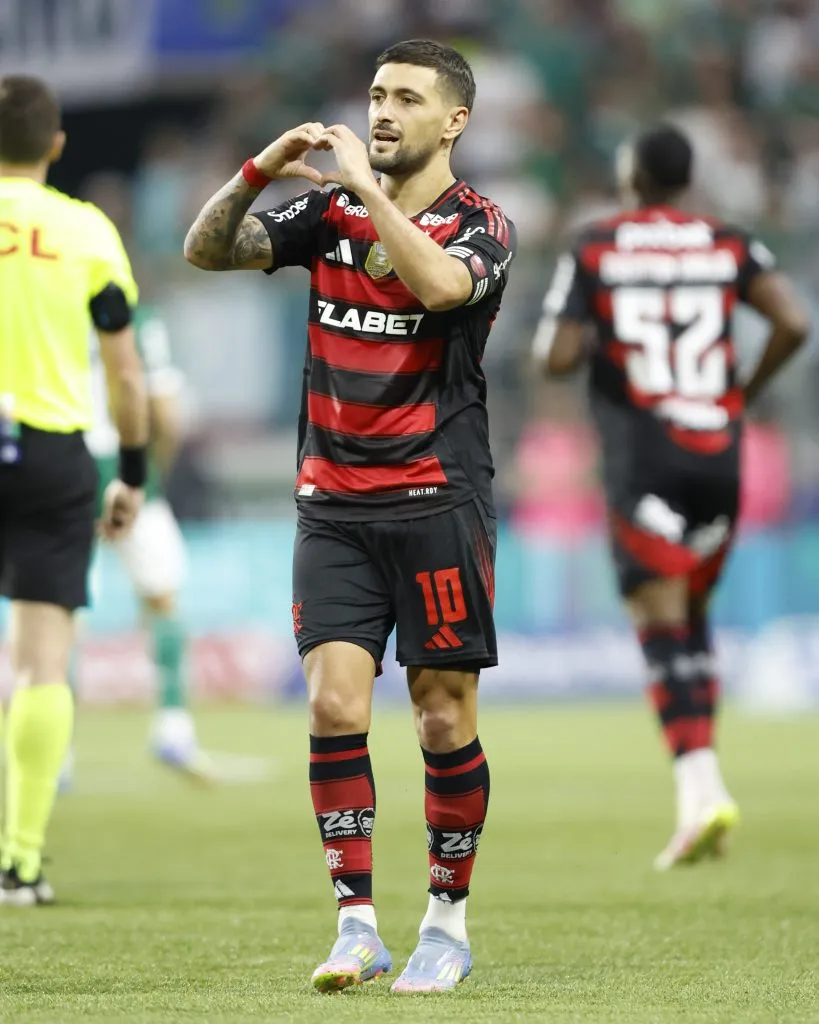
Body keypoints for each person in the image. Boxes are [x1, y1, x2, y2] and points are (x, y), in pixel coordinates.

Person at [185, 39, 515, 993]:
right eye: (374, 94)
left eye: (406, 98)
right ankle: (357, 926)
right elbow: (209, 251)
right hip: (332, 504)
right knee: (334, 704)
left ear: (452, 121)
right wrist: (257, 173)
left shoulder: (480, 223)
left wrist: (369, 191)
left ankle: (445, 926)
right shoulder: (324, 212)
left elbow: (440, 288)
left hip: (437, 501)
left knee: (440, 716)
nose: (380, 111)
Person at [532, 124, 808, 870]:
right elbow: (792, 321)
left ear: (629, 176)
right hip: (717, 456)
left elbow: (553, 358)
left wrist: (600, 335)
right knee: (691, 617)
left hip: (642, 455)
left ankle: (700, 790)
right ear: (686, 180)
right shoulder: (727, 241)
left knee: (659, 625)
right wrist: (739, 396)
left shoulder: (596, 245)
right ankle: (698, 797)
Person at [0, 75, 148, 904]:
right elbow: (123, 370)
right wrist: (130, 473)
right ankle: (19, 861)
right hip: (53, 453)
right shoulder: (86, 231)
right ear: (56, 144)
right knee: (41, 662)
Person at [79, 305, 211, 780]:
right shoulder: (140, 317)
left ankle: (59, 753)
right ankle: (173, 729)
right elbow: (166, 414)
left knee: (60, 612)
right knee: (163, 600)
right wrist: (148, 474)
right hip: (129, 472)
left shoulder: (40, 306)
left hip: (63, 468)